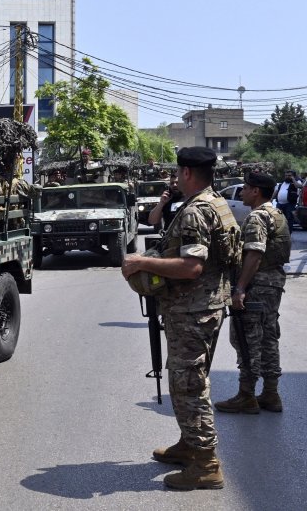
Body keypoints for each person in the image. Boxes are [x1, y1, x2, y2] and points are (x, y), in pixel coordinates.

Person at [121, 146, 239, 491]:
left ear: (187, 173)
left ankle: (205, 464)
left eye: (177, 172)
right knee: (191, 379)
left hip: (193, 310)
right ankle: (190, 444)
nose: (174, 177)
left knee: (188, 385)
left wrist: (141, 262)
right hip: (204, 306)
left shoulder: (195, 211)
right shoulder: (215, 202)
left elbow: (192, 267)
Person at [215, 172, 291, 414]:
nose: (243, 192)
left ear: (256, 191)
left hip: (257, 286)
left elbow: (254, 254)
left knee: (248, 338)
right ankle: (271, 393)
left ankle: (246, 395)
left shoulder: (258, 217)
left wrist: (240, 288)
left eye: (246, 188)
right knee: (269, 337)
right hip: (273, 285)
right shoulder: (277, 214)